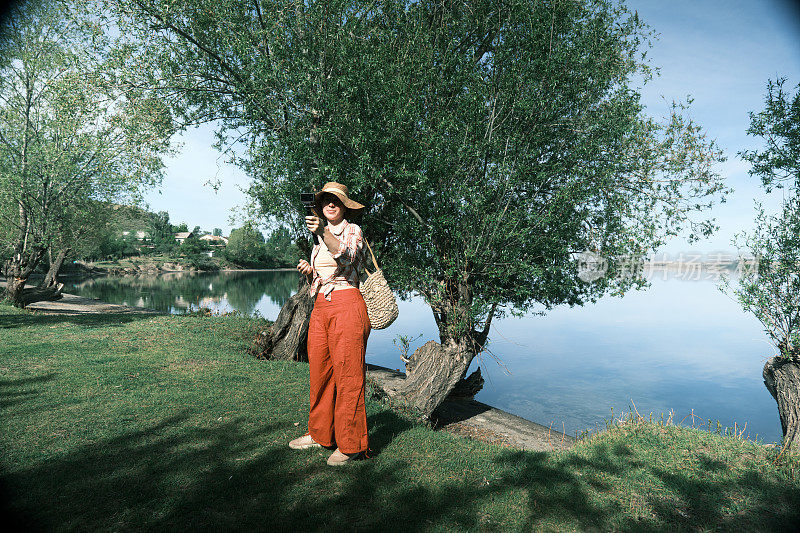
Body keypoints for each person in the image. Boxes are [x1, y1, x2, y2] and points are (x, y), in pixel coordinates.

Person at [289, 182, 371, 466]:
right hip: (322, 307)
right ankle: (321, 434)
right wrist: (310, 270)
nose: (330, 204)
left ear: (345, 205)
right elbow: (324, 276)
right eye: (326, 200)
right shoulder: (318, 238)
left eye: (336, 200)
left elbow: (348, 257)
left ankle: (351, 445)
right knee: (320, 371)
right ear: (321, 205)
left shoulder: (352, 231)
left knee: (349, 375)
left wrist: (323, 231)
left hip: (348, 305)